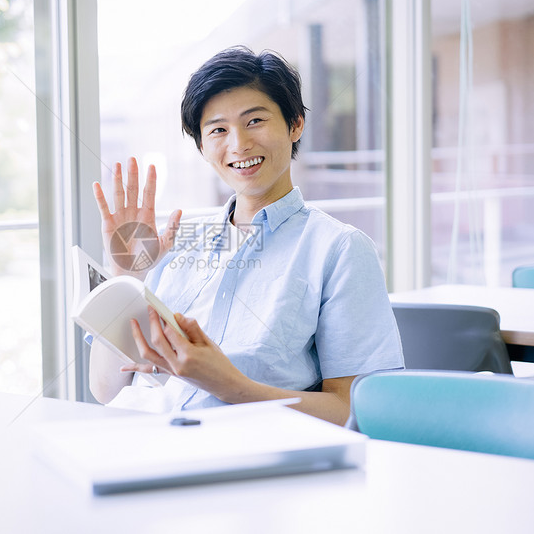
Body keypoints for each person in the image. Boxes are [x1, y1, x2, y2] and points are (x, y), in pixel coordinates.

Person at [89, 46, 403, 425]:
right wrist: (127, 276)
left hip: (250, 456)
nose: (238, 144)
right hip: (143, 440)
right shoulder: (172, 243)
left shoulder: (338, 249)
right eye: (218, 129)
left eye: (254, 121)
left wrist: (229, 385)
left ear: (295, 124)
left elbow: (357, 409)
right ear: (203, 147)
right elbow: (107, 390)